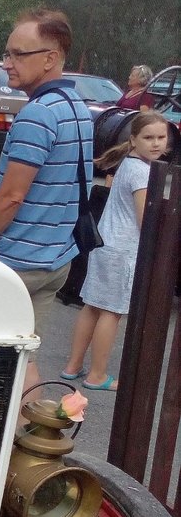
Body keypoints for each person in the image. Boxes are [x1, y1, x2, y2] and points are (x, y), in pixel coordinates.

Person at [0, 9, 93, 396]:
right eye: (7, 54)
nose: (8, 64)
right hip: (57, 258)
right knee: (25, 357)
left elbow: (11, 197)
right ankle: (27, 447)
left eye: (18, 55)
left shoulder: (37, 114)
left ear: (50, 58)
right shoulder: (77, 108)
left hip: (17, 263)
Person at [60, 111, 170, 392]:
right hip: (123, 250)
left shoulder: (129, 163)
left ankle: (73, 366)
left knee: (93, 305)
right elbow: (146, 218)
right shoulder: (143, 172)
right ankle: (97, 375)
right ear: (133, 140)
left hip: (103, 244)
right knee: (112, 311)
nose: (156, 143)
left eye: (161, 137)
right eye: (148, 137)